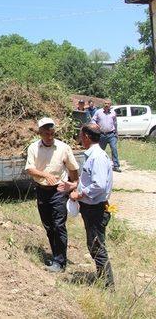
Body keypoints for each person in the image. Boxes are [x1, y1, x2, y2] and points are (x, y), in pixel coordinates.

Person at [25, 117, 80, 272]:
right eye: (46, 133)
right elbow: (29, 169)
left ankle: (60, 261)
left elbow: (73, 168)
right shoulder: (33, 148)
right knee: (48, 225)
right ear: (40, 133)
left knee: (59, 225)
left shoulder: (63, 148)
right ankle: (56, 255)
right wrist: (45, 175)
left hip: (59, 190)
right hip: (42, 190)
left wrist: (74, 186)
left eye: (52, 133)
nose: (49, 136)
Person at [67, 123, 115, 289]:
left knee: (97, 246)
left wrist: (79, 194)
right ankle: (104, 281)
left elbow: (99, 185)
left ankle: (108, 287)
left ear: (86, 136)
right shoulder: (93, 155)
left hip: (96, 209)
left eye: (81, 135)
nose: (79, 138)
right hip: (92, 208)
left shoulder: (97, 157)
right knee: (94, 245)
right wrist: (74, 187)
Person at [91, 100, 121, 172]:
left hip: (111, 134)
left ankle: (116, 166)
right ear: (103, 104)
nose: (106, 105)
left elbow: (115, 123)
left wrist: (116, 133)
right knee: (100, 151)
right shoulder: (98, 112)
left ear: (110, 105)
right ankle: (98, 165)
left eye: (108, 103)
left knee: (114, 149)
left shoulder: (113, 113)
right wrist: (95, 125)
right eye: (105, 103)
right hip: (102, 135)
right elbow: (93, 120)